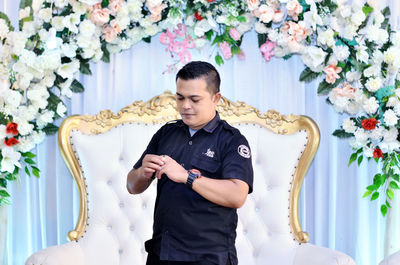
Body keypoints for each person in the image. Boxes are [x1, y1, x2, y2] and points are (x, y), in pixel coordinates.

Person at [126, 61, 253, 265]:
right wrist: (143, 172)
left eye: (195, 99)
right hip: (162, 254)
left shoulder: (232, 140)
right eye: (180, 97)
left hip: (209, 258)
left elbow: (237, 195)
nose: (185, 106)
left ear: (216, 98)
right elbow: (132, 186)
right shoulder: (166, 133)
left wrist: (187, 177)